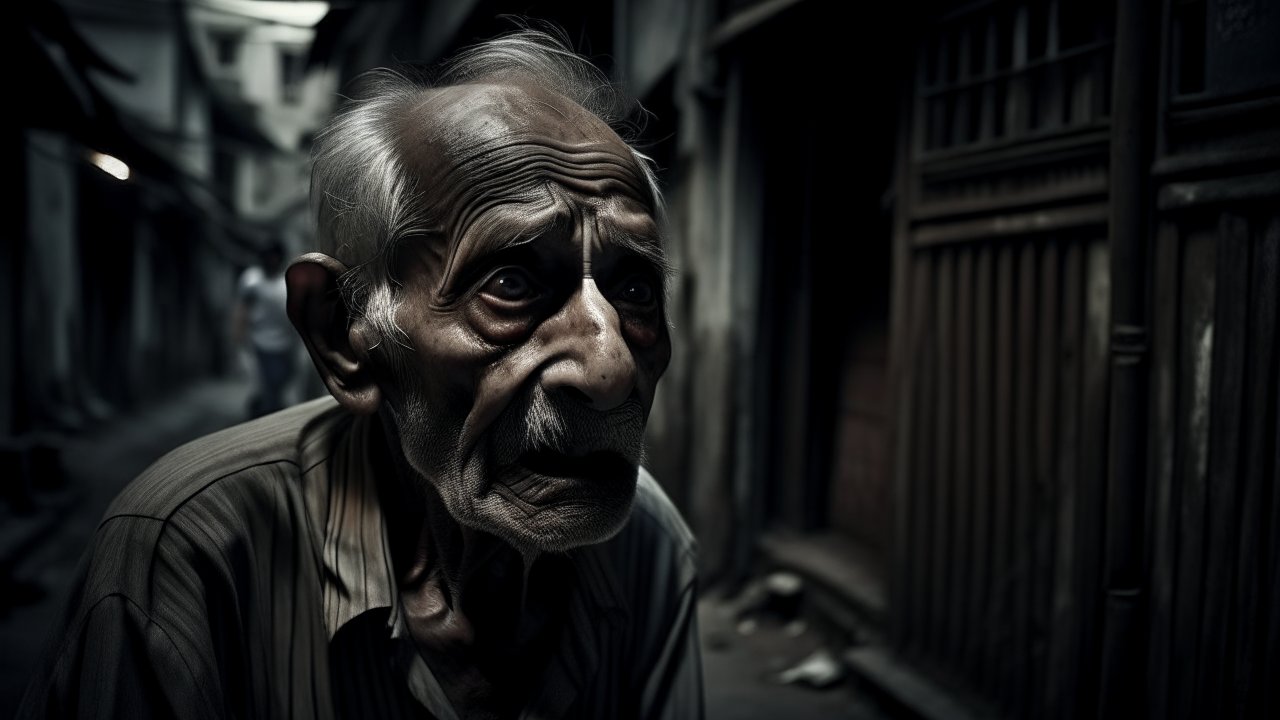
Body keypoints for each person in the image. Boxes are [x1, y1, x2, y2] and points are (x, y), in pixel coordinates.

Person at [18, 28, 702, 720]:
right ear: (343, 334)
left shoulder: (649, 545)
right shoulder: (190, 554)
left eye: (635, 289)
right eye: (514, 281)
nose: (610, 366)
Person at [231, 241, 298, 417]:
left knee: (279, 387)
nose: (272, 260)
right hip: (259, 343)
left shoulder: (286, 282)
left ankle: (271, 417)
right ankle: (260, 422)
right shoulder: (252, 280)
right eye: (268, 257)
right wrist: (239, 344)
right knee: (265, 389)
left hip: (284, 345)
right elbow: (242, 311)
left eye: (275, 257)